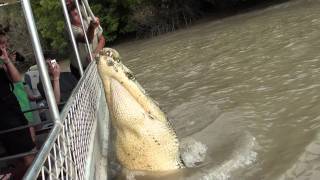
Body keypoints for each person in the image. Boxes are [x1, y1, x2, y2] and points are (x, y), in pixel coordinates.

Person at [0, 32, 35, 179]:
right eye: (1, 44)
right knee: (30, 159)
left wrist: (7, 61)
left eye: (4, 44)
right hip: (5, 119)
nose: (4, 47)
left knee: (30, 155)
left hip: (15, 111)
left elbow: (16, 80)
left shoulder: (2, 63)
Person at [68, 3, 105, 79]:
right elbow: (87, 40)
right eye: (74, 15)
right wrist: (92, 27)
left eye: (77, 13)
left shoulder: (89, 20)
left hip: (96, 61)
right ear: (69, 18)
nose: (77, 16)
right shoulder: (70, 29)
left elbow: (102, 39)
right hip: (80, 69)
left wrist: (95, 53)